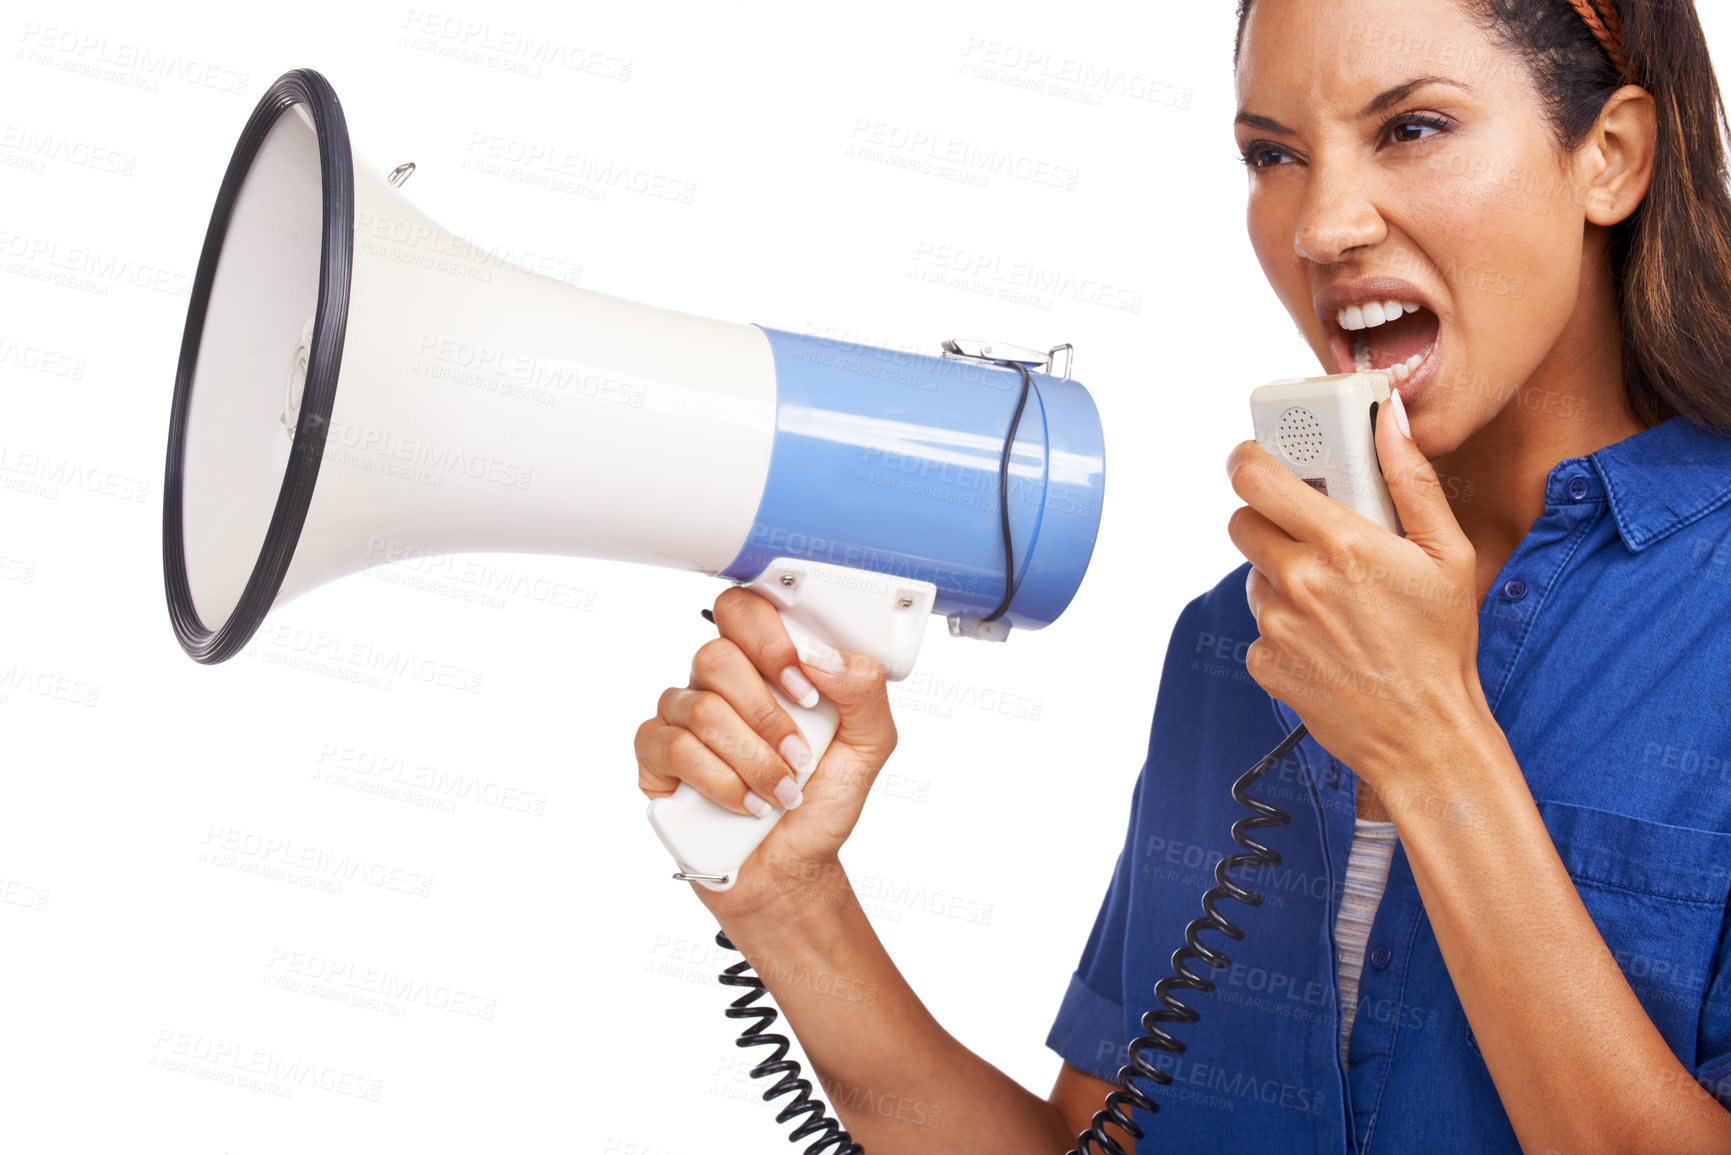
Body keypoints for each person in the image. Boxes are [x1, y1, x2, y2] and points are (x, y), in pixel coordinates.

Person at [634, 0, 1731, 1149]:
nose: (1322, 225)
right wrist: (792, 909)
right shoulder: (1251, 638)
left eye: (1411, 128)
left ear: (1610, 157)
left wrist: (1430, 742)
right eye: (1274, 155)